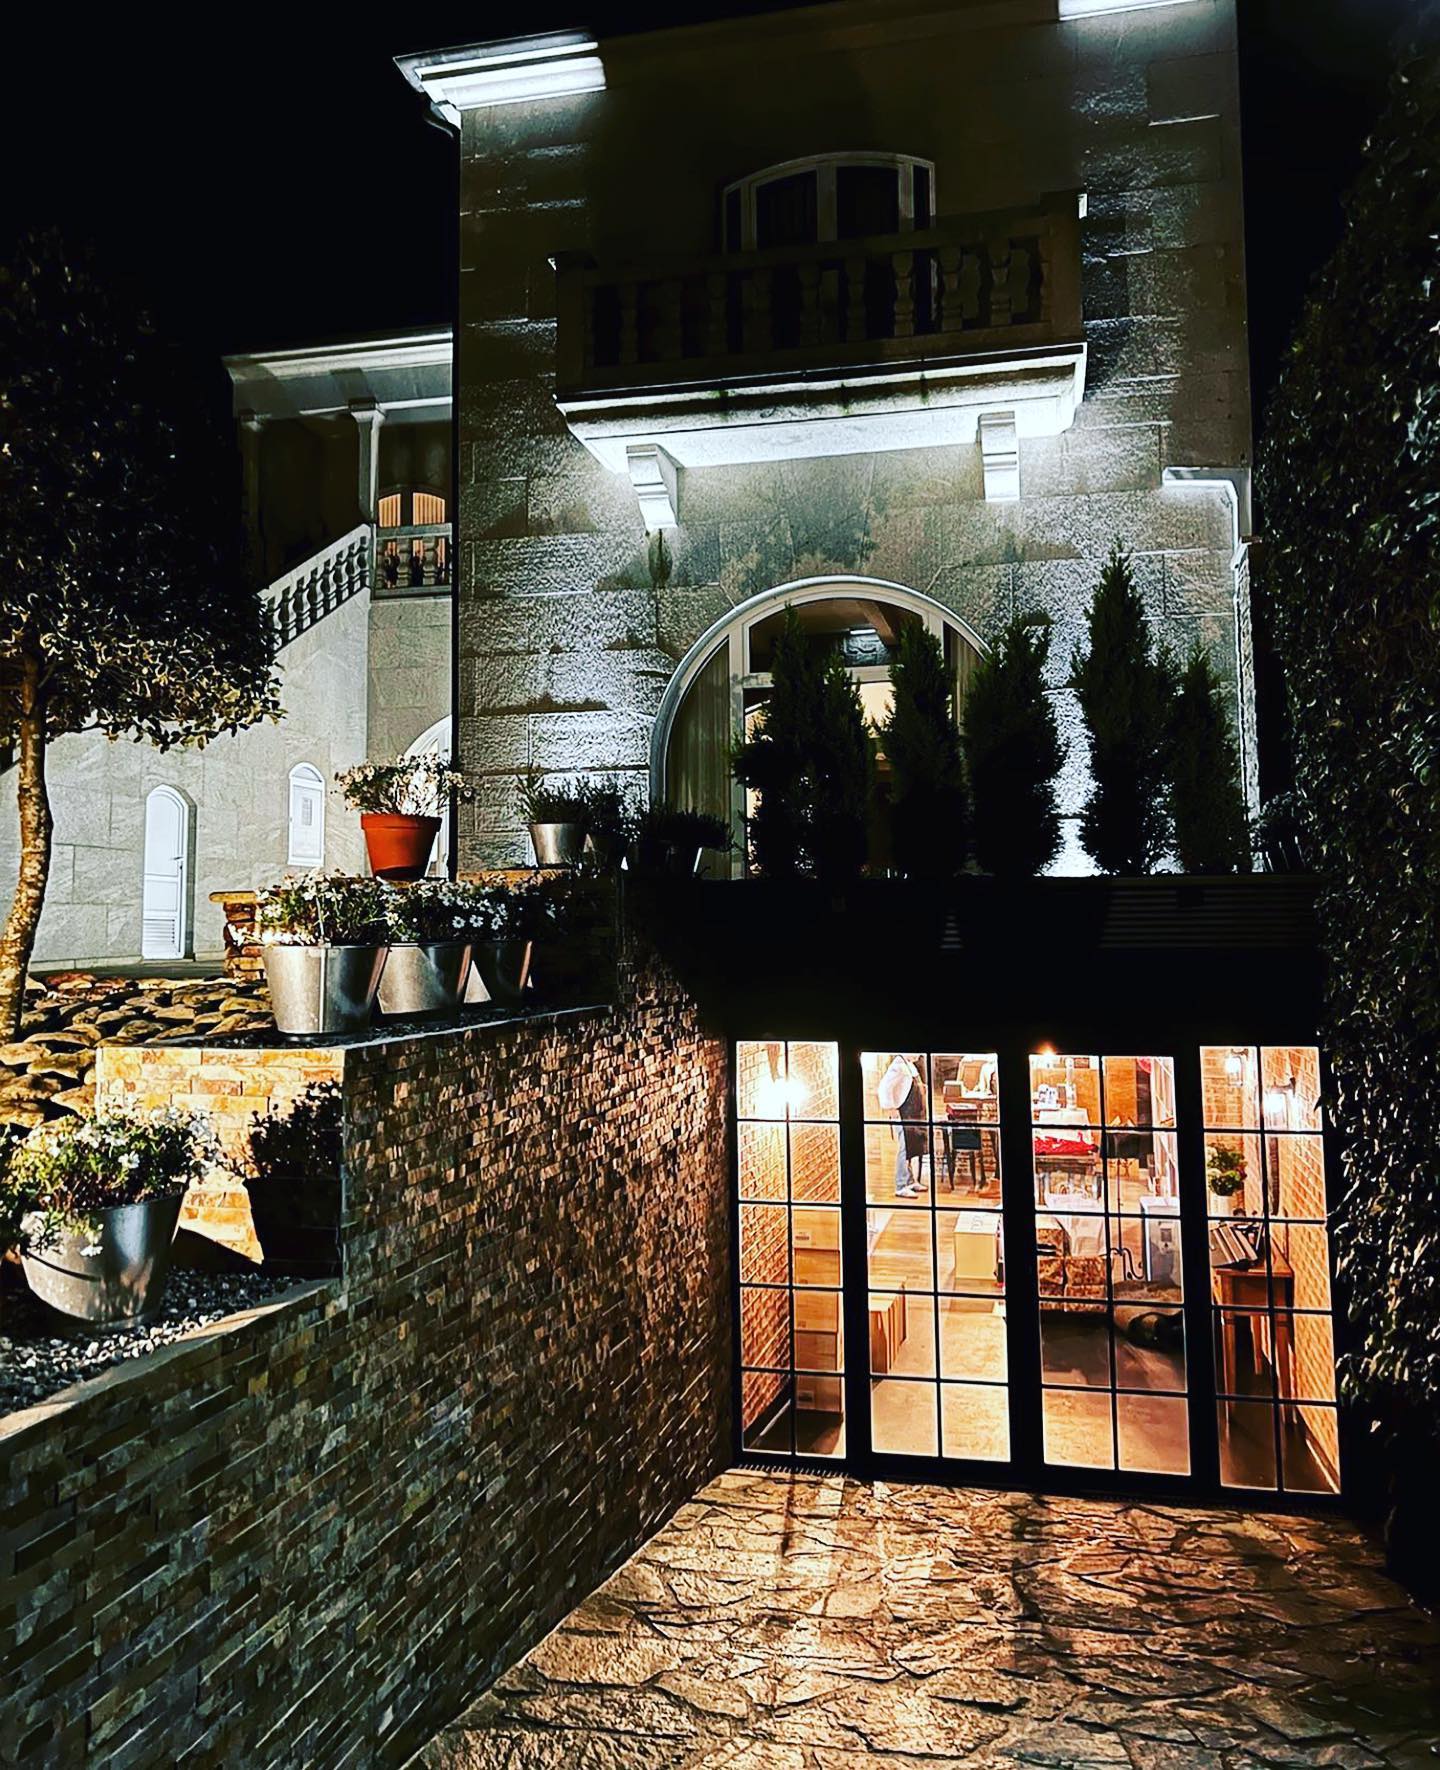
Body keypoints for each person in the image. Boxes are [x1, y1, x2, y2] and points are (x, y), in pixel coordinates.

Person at [878, 1053, 928, 1198]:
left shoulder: (909, 1065)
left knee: (911, 1147)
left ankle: (910, 1181)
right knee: (905, 1148)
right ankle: (901, 1185)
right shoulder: (898, 1066)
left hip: (913, 1114)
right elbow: (884, 1087)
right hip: (903, 1113)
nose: (918, 1055)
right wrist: (891, 1107)